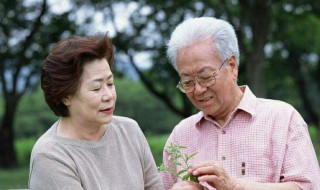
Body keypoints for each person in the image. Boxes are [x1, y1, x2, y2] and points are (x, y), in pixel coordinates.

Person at [161, 17, 320, 190]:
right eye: (187, 82)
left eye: (206, 77)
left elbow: (307, 187)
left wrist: (234, 186)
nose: (198, 89)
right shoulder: (181, 134)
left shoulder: (282, 118)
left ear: (232, 65)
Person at [28, 34, 162, 190]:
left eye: (110, 83)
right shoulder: (50, 156)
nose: (109, 95)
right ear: (65, 96)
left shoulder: (130, 130)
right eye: (97, 88)